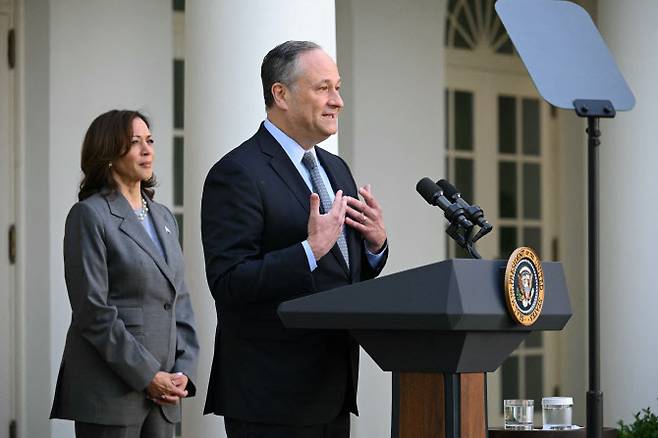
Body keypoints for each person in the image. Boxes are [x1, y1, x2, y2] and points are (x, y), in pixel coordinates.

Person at [201, 41, 389, 438]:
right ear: (280, 94)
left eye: (338, 88)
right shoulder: (237, 172)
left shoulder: (336, 168)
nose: (337, 100)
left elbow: (341, 278)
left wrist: (374, 247)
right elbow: (228, 282)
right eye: (323, 88)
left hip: (333, 388)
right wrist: (308, 251)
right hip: (270, 396)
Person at [50, 110, 199, 438]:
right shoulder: (88, 216)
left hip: (166, 395)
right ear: (108, 153)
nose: (147, 150)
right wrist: (148, 375)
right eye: (134, 142)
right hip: (110, 394)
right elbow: (92, 311)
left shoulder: (163, 217)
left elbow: (179, 299)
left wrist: (184, 369)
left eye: (150, 140)